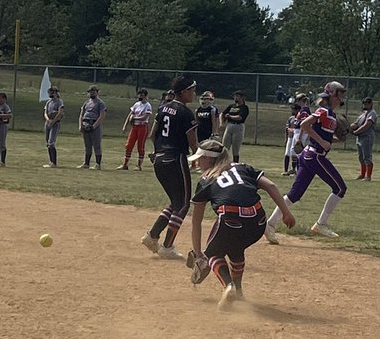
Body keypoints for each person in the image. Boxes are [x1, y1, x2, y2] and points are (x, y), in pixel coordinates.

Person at [185, 139, 296, 308]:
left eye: (200, 158)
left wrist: (200, 253)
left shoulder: (206, 180)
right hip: (258, 222)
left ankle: (228, 286)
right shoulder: (243, 167)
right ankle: (238, 291)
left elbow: (196, 221)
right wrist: (286, 213)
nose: (197, 163)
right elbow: (271, 185)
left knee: (214, 254)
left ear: (210, 159)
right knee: (235, 248)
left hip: (230, 219)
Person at [265, 81, 348, 241]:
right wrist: (322, 142)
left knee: (294, 194)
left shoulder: (330, 114)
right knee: (340, 188)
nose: (342, 97)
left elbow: (326, 138)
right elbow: (304, 124)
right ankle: (321, 224)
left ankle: (270, 224)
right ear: (332, 94)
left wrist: (337, 140)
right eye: (340, 93)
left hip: (309, 156)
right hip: (315, 155)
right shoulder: (324, 111)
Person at [140, 76, 198, 260]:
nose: (193, 93)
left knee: (175, 201)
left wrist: (159, 150)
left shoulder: (163, 107)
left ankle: (152, 236)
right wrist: (198, 157)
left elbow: (152, 134)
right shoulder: (186, 113)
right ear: (183, 92)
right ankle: (167, 247)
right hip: (176, 159)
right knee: (183, 204)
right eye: (191, 90)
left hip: (159, 159)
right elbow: (193, 143)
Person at [118, 88, 153, 170]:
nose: (140, 96)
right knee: (129, 145)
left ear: (145, 96)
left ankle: (139, 165)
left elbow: (145, 117)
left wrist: (134, 118)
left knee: (140, 146)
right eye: (139, 94)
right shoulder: (136, 104)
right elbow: (130, 115)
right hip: (135, 127)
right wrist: (125, 126)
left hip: (142, 127)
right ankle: (125, 164)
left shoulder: (147, 105)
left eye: (142, 95)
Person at [78, 85, 107, 169]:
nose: (92, 93)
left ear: (97, 93)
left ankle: (98, 164)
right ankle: (86, 163)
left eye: (94, 92)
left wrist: (94, 126)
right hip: (85, 123)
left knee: (96, 145)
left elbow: (102, 116)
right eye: (90, 92)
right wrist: (81, 125)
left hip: (94, 124)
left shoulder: (100, 103)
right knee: (87, 145)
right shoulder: (86, 103)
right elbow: (81, 114)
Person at [351, 96, 378, 181]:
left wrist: (356, 132)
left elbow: (366, 125)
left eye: (366, 103)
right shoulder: (362, 114)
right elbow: (356, 123)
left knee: (367, 156)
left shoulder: (372, 113)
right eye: (364, 103)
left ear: (370, 104)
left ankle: (368, 176)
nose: (364, 105)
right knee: (361, 157)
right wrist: (351, 126)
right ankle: (362, 174)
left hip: (367, 137)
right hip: (360, 137)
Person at [220, 91, 250, 162]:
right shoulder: (231, 106)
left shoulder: (244, 107)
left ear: (242, 98)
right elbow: (222, 114)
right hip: (229, 126)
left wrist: (230, 116)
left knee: (235, 148)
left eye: (237, 96)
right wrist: (221, 123)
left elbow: (240, 117)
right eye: (235, 96)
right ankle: (223, 163)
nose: (235, 98)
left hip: (238, 127)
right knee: (224, 147)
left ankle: (235, 163)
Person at [42, 86, 64, 168]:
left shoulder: (59, 102)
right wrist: (48, 120)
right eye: (50, 92)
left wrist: (53, 121)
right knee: (48, 142)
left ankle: (54, 162)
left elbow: (60, 112)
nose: (51, 94)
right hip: (48, 122)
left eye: (53, 92)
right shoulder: (48, 102)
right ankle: (50, 161)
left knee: (51, 142)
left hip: (55, 123)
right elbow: (45, 112)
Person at [282, 101, 304, 176]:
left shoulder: (300, 118)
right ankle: (286, 170)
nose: (292, 111)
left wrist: (293, 130)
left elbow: (300, 128)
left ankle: (294, 169)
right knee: (287, 153)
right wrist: (286, 138)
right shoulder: (291, 119)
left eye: (294, 110)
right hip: (290, 137)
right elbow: (287, 129)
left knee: (295, 153)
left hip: (296, 137)